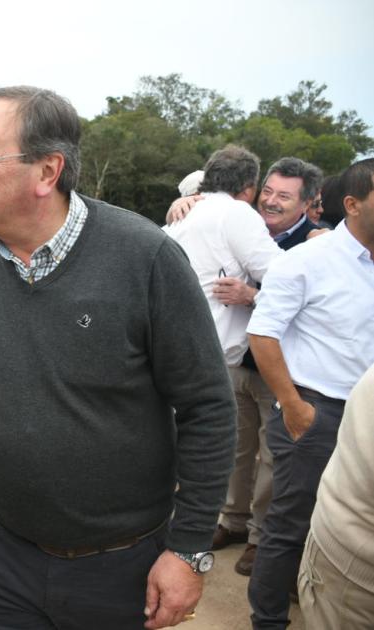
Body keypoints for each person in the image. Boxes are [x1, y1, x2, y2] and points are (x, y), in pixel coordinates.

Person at [0, 87, 236, 630]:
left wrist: (190, 547)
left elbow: (208, 410)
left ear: (47, 171)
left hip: (119, 568)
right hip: (3, 560)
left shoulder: (145, 259)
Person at [166, 156, 324, 576]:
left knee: (274, 458)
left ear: (309, 203)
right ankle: (232, 521)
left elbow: (310, 294)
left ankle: (260, 537)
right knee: (235, 450)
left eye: (283, 196)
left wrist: (252, 294)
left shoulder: (319, 241)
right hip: (236, 363)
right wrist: (186, 200)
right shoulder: (236, 219)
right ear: (253, 189)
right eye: (267, 191)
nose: (270, 201)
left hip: (283, 366)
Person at [246, 157, 374, 629]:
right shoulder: (307, 260)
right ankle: (269, 620)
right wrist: (295, 408)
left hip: (367, 417)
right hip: (316, 411)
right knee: (290, 523)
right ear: (353, 204)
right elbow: (263, 334)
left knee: (350, 527)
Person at [298, 362, 374, 629]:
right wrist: (292, 405)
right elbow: (263, 333)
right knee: (287, 514)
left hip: (338, 400)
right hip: (353, 567)